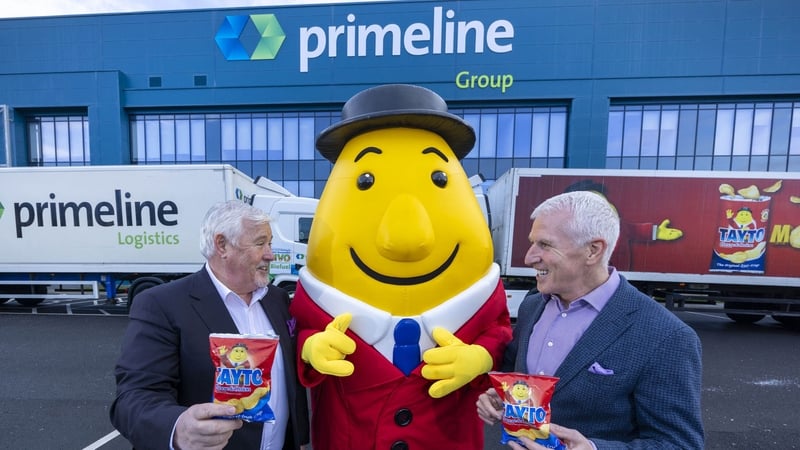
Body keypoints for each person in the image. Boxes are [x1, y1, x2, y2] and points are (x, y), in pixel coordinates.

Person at [477, 191, 704, 449]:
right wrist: (499, 396)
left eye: (545, 245)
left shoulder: (666, 336)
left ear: (593, 251)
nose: (529, 257)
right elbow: (516, 375)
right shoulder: (532, 306)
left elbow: (679, 444)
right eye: (532, 242)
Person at [110, 200, 310, 450]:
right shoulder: (162, 304)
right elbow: (133, 398)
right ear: (222, 245)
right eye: (260, 243)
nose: (270, 254)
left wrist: (299, 438)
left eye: (269, 243)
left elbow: (289, 383)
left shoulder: (277, 299)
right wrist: (178, 428)